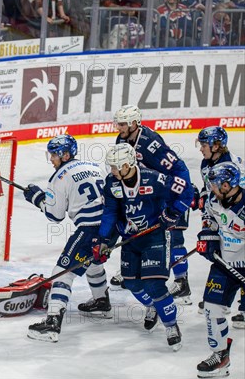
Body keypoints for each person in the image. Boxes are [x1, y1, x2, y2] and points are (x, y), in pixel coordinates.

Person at [96, 143, 192, 351]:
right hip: (131, 240)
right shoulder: (112, 183)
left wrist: (173, 213)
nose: (112, 171)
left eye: (115, 166)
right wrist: (104, 240)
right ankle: (153, 306)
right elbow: (110, 212)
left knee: (154, 285)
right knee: (131, 283)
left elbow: (186, 191)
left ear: (127, 164)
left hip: (155, 237)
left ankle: (171, 325)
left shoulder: (154, 178)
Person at [22, 135, 110, 342]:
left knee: (63, 272)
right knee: (92, 262)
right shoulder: (95, 166)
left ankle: (52, 323)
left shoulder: (59, 177)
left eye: (54, 154)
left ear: (65, 155)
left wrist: (38, 198)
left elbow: (55, 215)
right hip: (110, 228)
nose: (51, 159)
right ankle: (101, 302)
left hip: (89, 230)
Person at [112, 105, 196, 306]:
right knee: (138, 228)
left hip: (167, 191)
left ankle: (182, 282)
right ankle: (136, 270)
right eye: (118, 124)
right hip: (148, 193)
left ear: (134, 123)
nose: (119, 128)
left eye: (122, 124)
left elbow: (178, 167)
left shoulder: (150, 143)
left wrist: (182, 194)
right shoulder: (122, 140)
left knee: (173, 236)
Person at [195, 162, 244, 378]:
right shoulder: (214, 199)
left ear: (226, 185)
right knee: (212, 309)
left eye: (214, 184)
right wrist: (208, 237)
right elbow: (210, 219)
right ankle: (220, 354)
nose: (211, 188)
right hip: (224, 264)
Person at [196, 126, 245, 329]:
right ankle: (222, 296)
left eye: (204, 144)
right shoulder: (206, 163)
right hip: (219, 213)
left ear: (217, 145)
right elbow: (209, 191)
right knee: (223, 253)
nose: (201, 149)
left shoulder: (232, 166)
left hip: (236, 217)